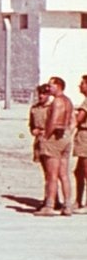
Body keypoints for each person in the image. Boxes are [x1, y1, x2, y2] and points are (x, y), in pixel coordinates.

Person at [35, 77, 74, 216]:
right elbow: (71, 121)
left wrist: (45, 137)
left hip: (54, 139)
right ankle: (68, 205)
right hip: (65, 138)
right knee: (64, 174)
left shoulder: (57, 101)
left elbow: (53, 120)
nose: (49, 88)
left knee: (52, 175)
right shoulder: (68, 101)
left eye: (51, 85)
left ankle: (49, 205)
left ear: (58, 86)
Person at [74, 75, 87, 212]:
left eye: (82, 83)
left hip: (85, 136)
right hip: (82, 135)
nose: (80, 86)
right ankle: (78, 201)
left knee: (85, 170)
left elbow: (79, 119)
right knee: (79, 171)